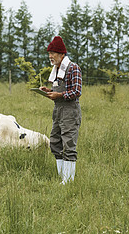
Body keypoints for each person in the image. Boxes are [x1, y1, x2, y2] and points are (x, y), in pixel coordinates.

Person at [40, 36, 82, 184]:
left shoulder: (73, 68)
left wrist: (59, 95)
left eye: (53, 53)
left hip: (70, 111)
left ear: (62, 54)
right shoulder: (57, 69)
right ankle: (61, 177)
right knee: (55, 142)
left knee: (69, 144)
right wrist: (49, 91)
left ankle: (68, 181)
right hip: (58, 110)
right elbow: (60, 90)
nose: (50, 56)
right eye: (49, 53)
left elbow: (77, 91)